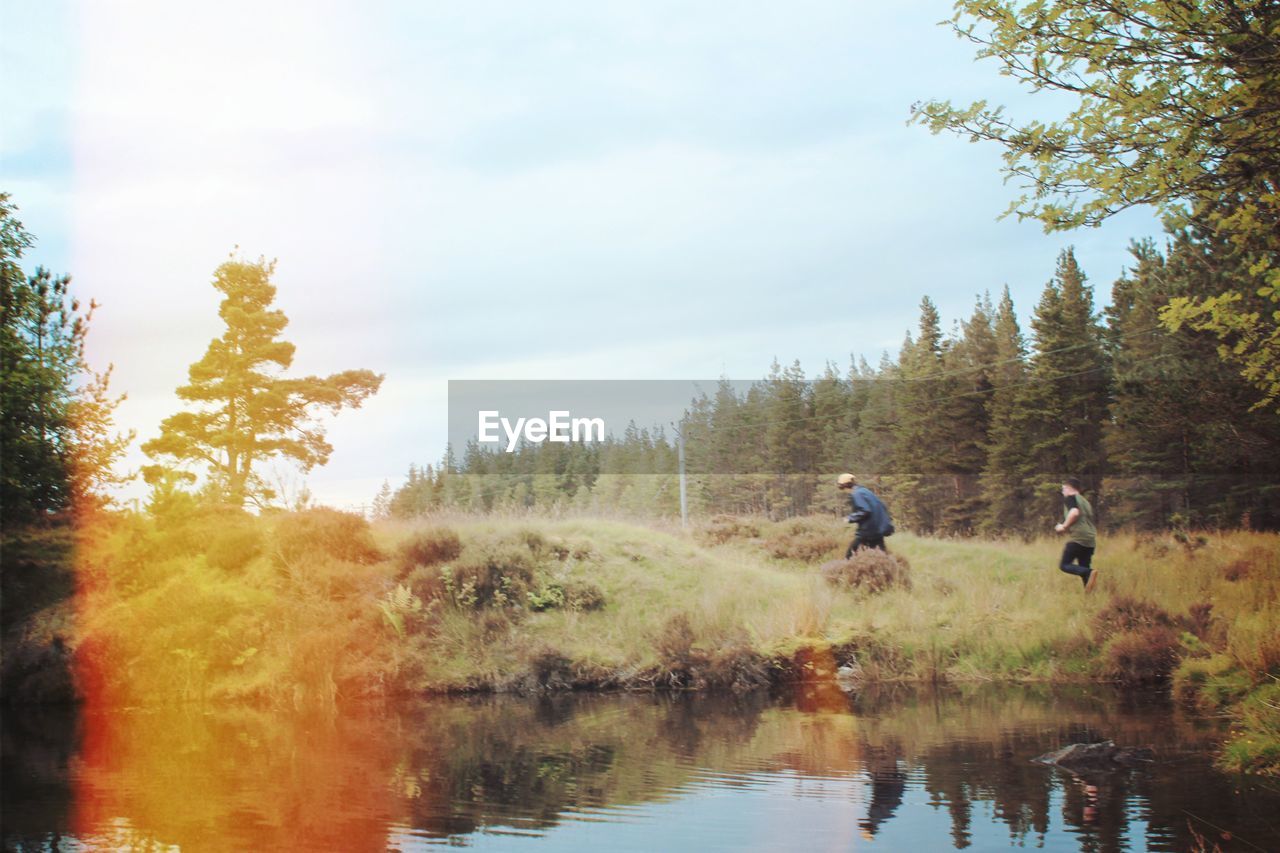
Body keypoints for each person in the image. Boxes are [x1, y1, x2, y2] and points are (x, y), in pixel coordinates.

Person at [1055, 477, 1098, 592]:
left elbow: (1074, 513)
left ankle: (1089, 572)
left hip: (1079, 537)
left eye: (1063, 489)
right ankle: (1090, 597)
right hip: (1090, 539)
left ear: (1069, 488)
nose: (1063, 492)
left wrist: (1063, 526)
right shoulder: (1085, 501)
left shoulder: (1070, 498)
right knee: (1084, 568)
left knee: (1064, 565)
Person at [837, 473, 894, 557]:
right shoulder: (865, 491)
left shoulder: (857, 494)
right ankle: (890, 568)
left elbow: (865, 510)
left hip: (868, 531)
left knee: (850, 554)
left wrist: (850, 518)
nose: (843, 490)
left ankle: (847, 569)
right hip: (877, 529)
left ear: (845, 485)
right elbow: (882, 506)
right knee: (881, 555)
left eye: (841, 487)